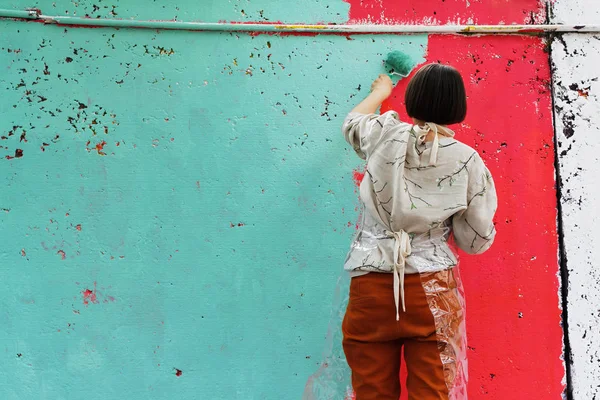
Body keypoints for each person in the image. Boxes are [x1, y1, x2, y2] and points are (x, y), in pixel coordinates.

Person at [341, 64, 498, 400]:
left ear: (411, 100)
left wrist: (381, 92)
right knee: (431, 392)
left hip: (370, 285)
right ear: (458, 106)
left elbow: (352, 123)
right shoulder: (468, 161)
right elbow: (473, 240)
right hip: (432, 288)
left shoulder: (383, 135)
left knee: (370, 391)